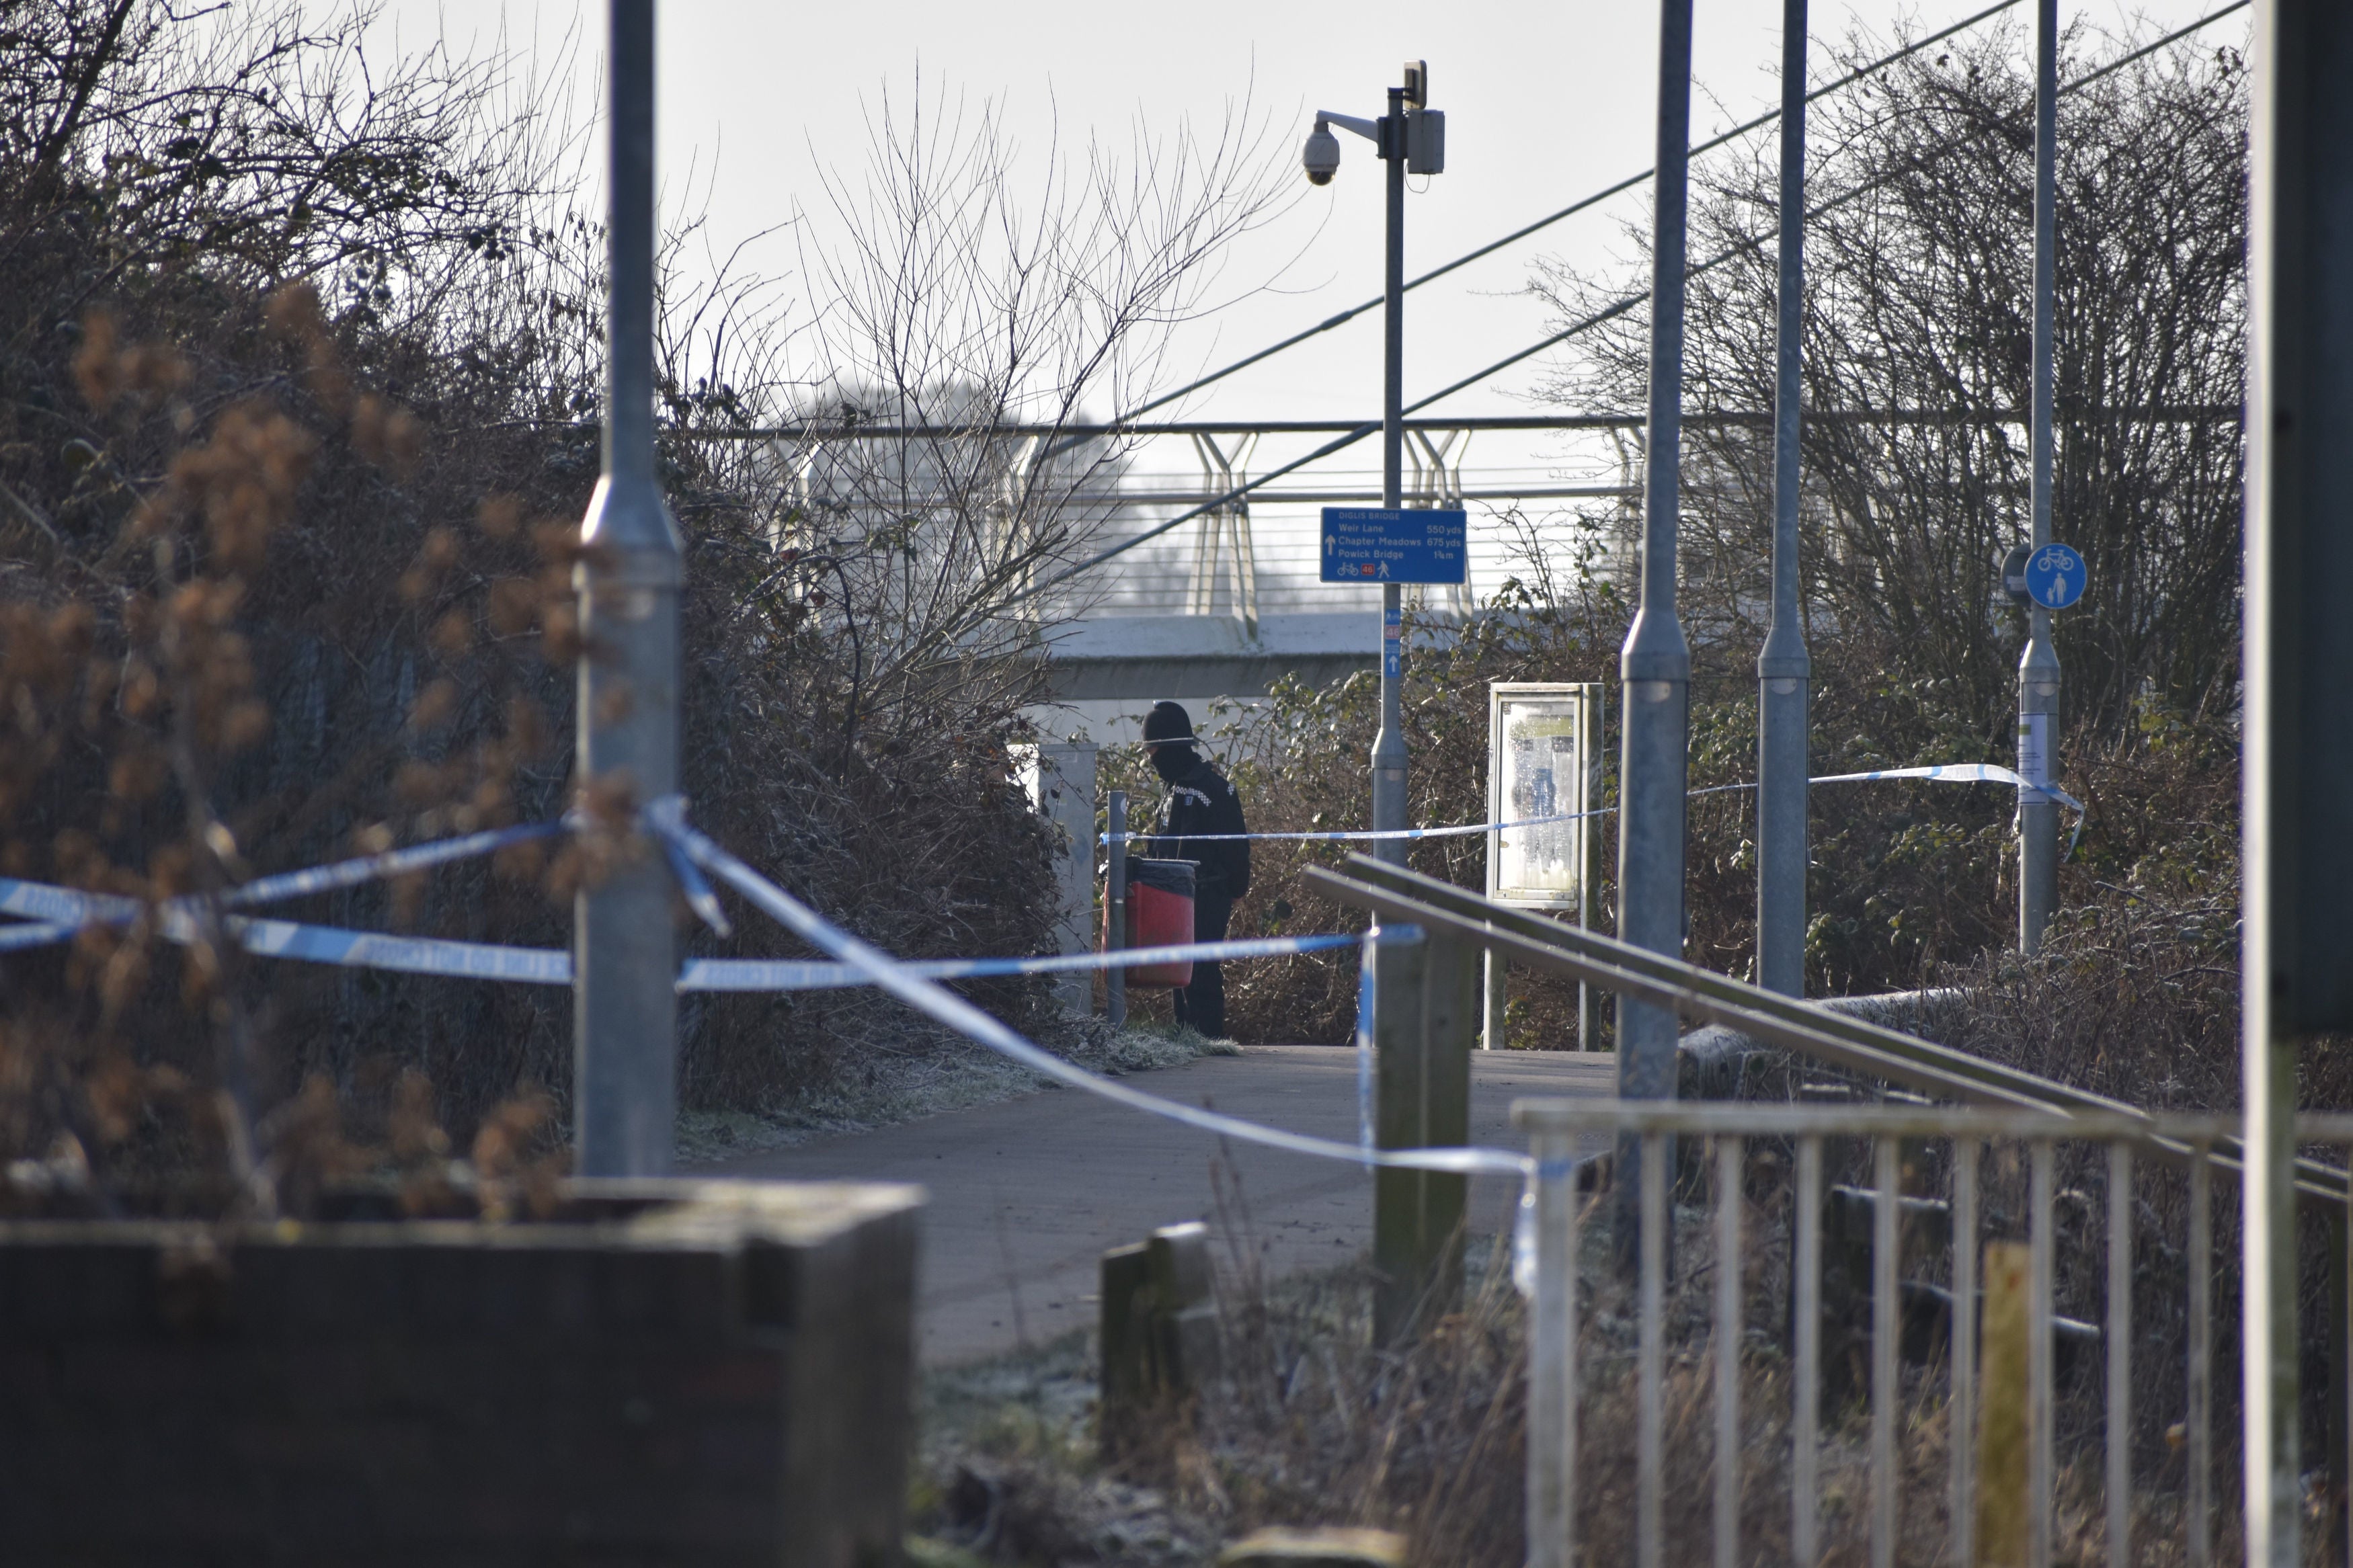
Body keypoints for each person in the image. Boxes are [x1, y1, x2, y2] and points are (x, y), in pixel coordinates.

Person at [1140, 700, 1249, 1039]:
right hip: (1177, 896)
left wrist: (1233, 888)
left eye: (1153, 750)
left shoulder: (1211, 789)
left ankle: (1208, 1042)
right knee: (1178, 971)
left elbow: (1235, 848)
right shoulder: (1174, 787)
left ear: (1169, 747)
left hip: (1207, 894)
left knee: (1201, 971)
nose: (1150, 759)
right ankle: (1186, 1039)